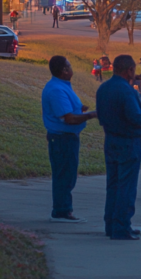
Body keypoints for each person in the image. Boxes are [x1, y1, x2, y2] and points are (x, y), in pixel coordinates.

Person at [96, 55, 141, 240]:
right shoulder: (126, 91)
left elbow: (100, 114)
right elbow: (134, 116)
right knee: (127, 186)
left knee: (113, 184)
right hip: (128, 141)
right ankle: (122, 226)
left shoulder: (103, 88)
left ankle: (110, 224)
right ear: (130, 70)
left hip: (110, 139)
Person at [42, 56, 97, 222]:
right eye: (69, 66)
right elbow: (69, 118)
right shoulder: (56, 90)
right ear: (64, 71)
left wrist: (80, 109)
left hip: (67, 137)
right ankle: (62, 210)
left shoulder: (63, 86)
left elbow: (70, 111)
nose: (72, 68)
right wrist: (91, 115)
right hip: (62, 138)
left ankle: (63, 208)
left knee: (68, 174)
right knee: (64, 175)